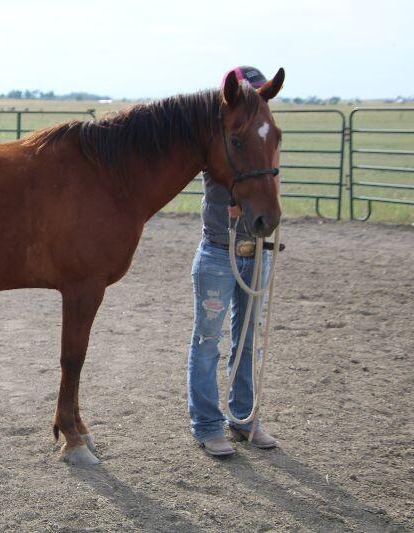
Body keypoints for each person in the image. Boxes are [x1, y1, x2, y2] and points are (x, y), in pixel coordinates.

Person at [187, 66, 280, 456]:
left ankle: (243, 418)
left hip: (255, 251)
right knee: (209, 341)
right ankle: (207, 424)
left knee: (247, 341)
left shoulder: (259, 137)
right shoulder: (222, 138)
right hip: (219, 252)